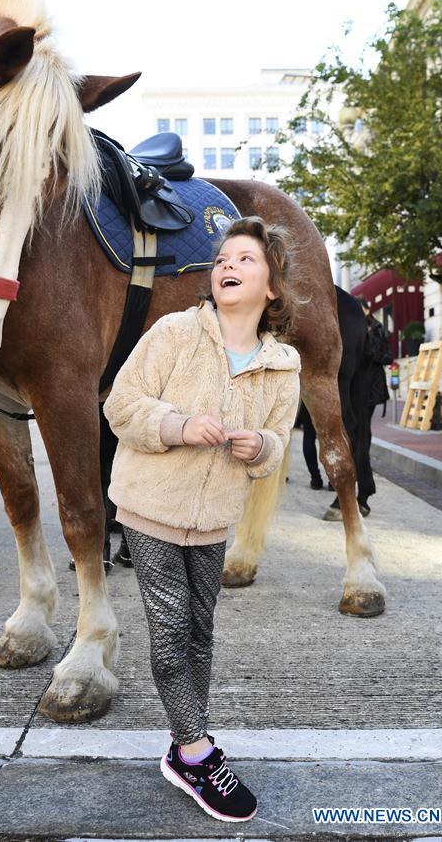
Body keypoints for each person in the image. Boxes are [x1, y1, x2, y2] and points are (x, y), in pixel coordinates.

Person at [104, 216, 300, 823]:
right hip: (150, 507)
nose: (228, 266)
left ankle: (187, 741)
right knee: (171, 630)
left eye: (245, 259)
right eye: (222, 260)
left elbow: (277, 443)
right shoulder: (174, 332)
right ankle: (195, 753)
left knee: (200, 632)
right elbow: (120, 405)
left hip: (214, 519)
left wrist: (260, 446)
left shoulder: (283, 365)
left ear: (272, 286)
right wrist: (179, 426)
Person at [356, 298, 392, 514]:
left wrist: (370, 346)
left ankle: (363, 482)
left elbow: (385, 356)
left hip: (372, 386)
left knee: (363, 431)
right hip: (360, 384)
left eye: (362, 308)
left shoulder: (376, 328)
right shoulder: (355, 327)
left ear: (368, 309)